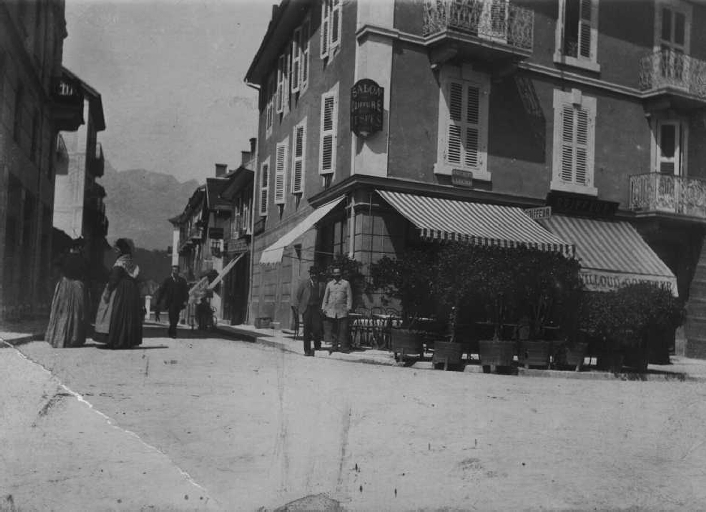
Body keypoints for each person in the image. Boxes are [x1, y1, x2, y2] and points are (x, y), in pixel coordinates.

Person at [94, 238, 143, 349]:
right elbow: (138, 277)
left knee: (117, 313)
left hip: (121, 290)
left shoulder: (120, 263)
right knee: (129, 315)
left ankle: (116, 340)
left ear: (121, 250)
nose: (115, 251)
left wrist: (108, 290)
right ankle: (128, 340)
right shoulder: (131, 262)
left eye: (117, 249)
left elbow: (114, 279)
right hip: (132, 290)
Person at [45, 239, 90, 348]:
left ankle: (59, 338)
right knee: (76, 313)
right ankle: (72, 339)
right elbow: (86, 273)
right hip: (77, 287)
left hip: (64, 285)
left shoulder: (63, 257)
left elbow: (55, 265)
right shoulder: (83, 259)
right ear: (79, 248)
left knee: (61, 311)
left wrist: (60, 275)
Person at [292, 266, 324, 356]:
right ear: (310, 274)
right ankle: (307, 350)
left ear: (317, 275)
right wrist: (299, 307)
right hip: (307, 308)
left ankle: (317, 346)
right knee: (307, 329)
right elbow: (298, 295)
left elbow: (323, 297)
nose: (314, 275)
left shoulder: (321, 285)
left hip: (316, 309)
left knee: (317, 329)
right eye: (312, 274)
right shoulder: (304, 283)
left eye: (315, 274)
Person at [322, 267, 353, 354]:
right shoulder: (329, 284)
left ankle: (343, 347)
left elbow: (349, 297)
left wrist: (348, 308)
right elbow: (326, 297)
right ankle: (334, 346)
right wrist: (324, 308)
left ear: (340, 274)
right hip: (331, 310)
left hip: (342, 310)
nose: (336, 276)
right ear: (333, 275)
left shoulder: (346, 283)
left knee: (343, 329)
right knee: (333, 329)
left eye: (338, 274)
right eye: (335, 274)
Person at [155, 265, 189, 338]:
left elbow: (186, 292)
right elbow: (162, 291)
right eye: (173, 270)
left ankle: (171, 330)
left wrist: (186, 300)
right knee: (172, 317)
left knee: (176, 318)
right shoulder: (168, 280)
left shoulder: (182, 281)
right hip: (170, 302)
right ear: (172, 271)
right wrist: (158, 301)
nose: (174, 272)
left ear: (178, 272)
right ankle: (173, 332)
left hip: (179, 302)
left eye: (176, 270)